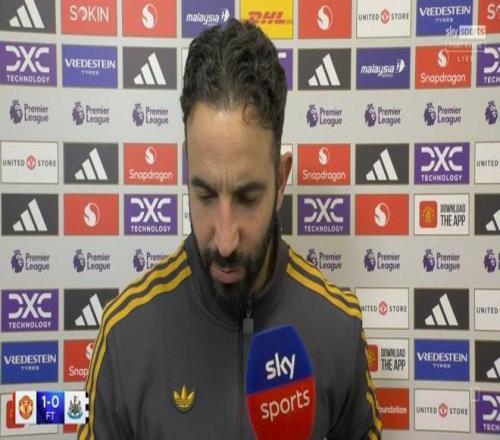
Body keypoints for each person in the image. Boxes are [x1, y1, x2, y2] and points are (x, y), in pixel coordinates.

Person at [78, 19, 381, 440]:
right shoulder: (125, 336)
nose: (225, 240)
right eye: (205, 194)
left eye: (247, 197)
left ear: (281, 179)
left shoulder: (337, 327)